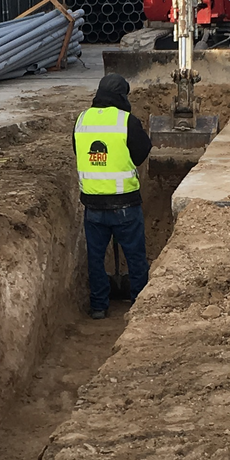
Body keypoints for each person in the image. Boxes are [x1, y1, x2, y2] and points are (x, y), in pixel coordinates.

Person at [74, 74, 152, 319]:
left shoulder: (81, 120)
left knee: (96, 258)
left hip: (93, 204)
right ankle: (139, 302)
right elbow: (141, 152)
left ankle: (99, 305)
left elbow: (79, 151)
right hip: (125, 204)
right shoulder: (126, 121)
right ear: (121, 96)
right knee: (136, 255)